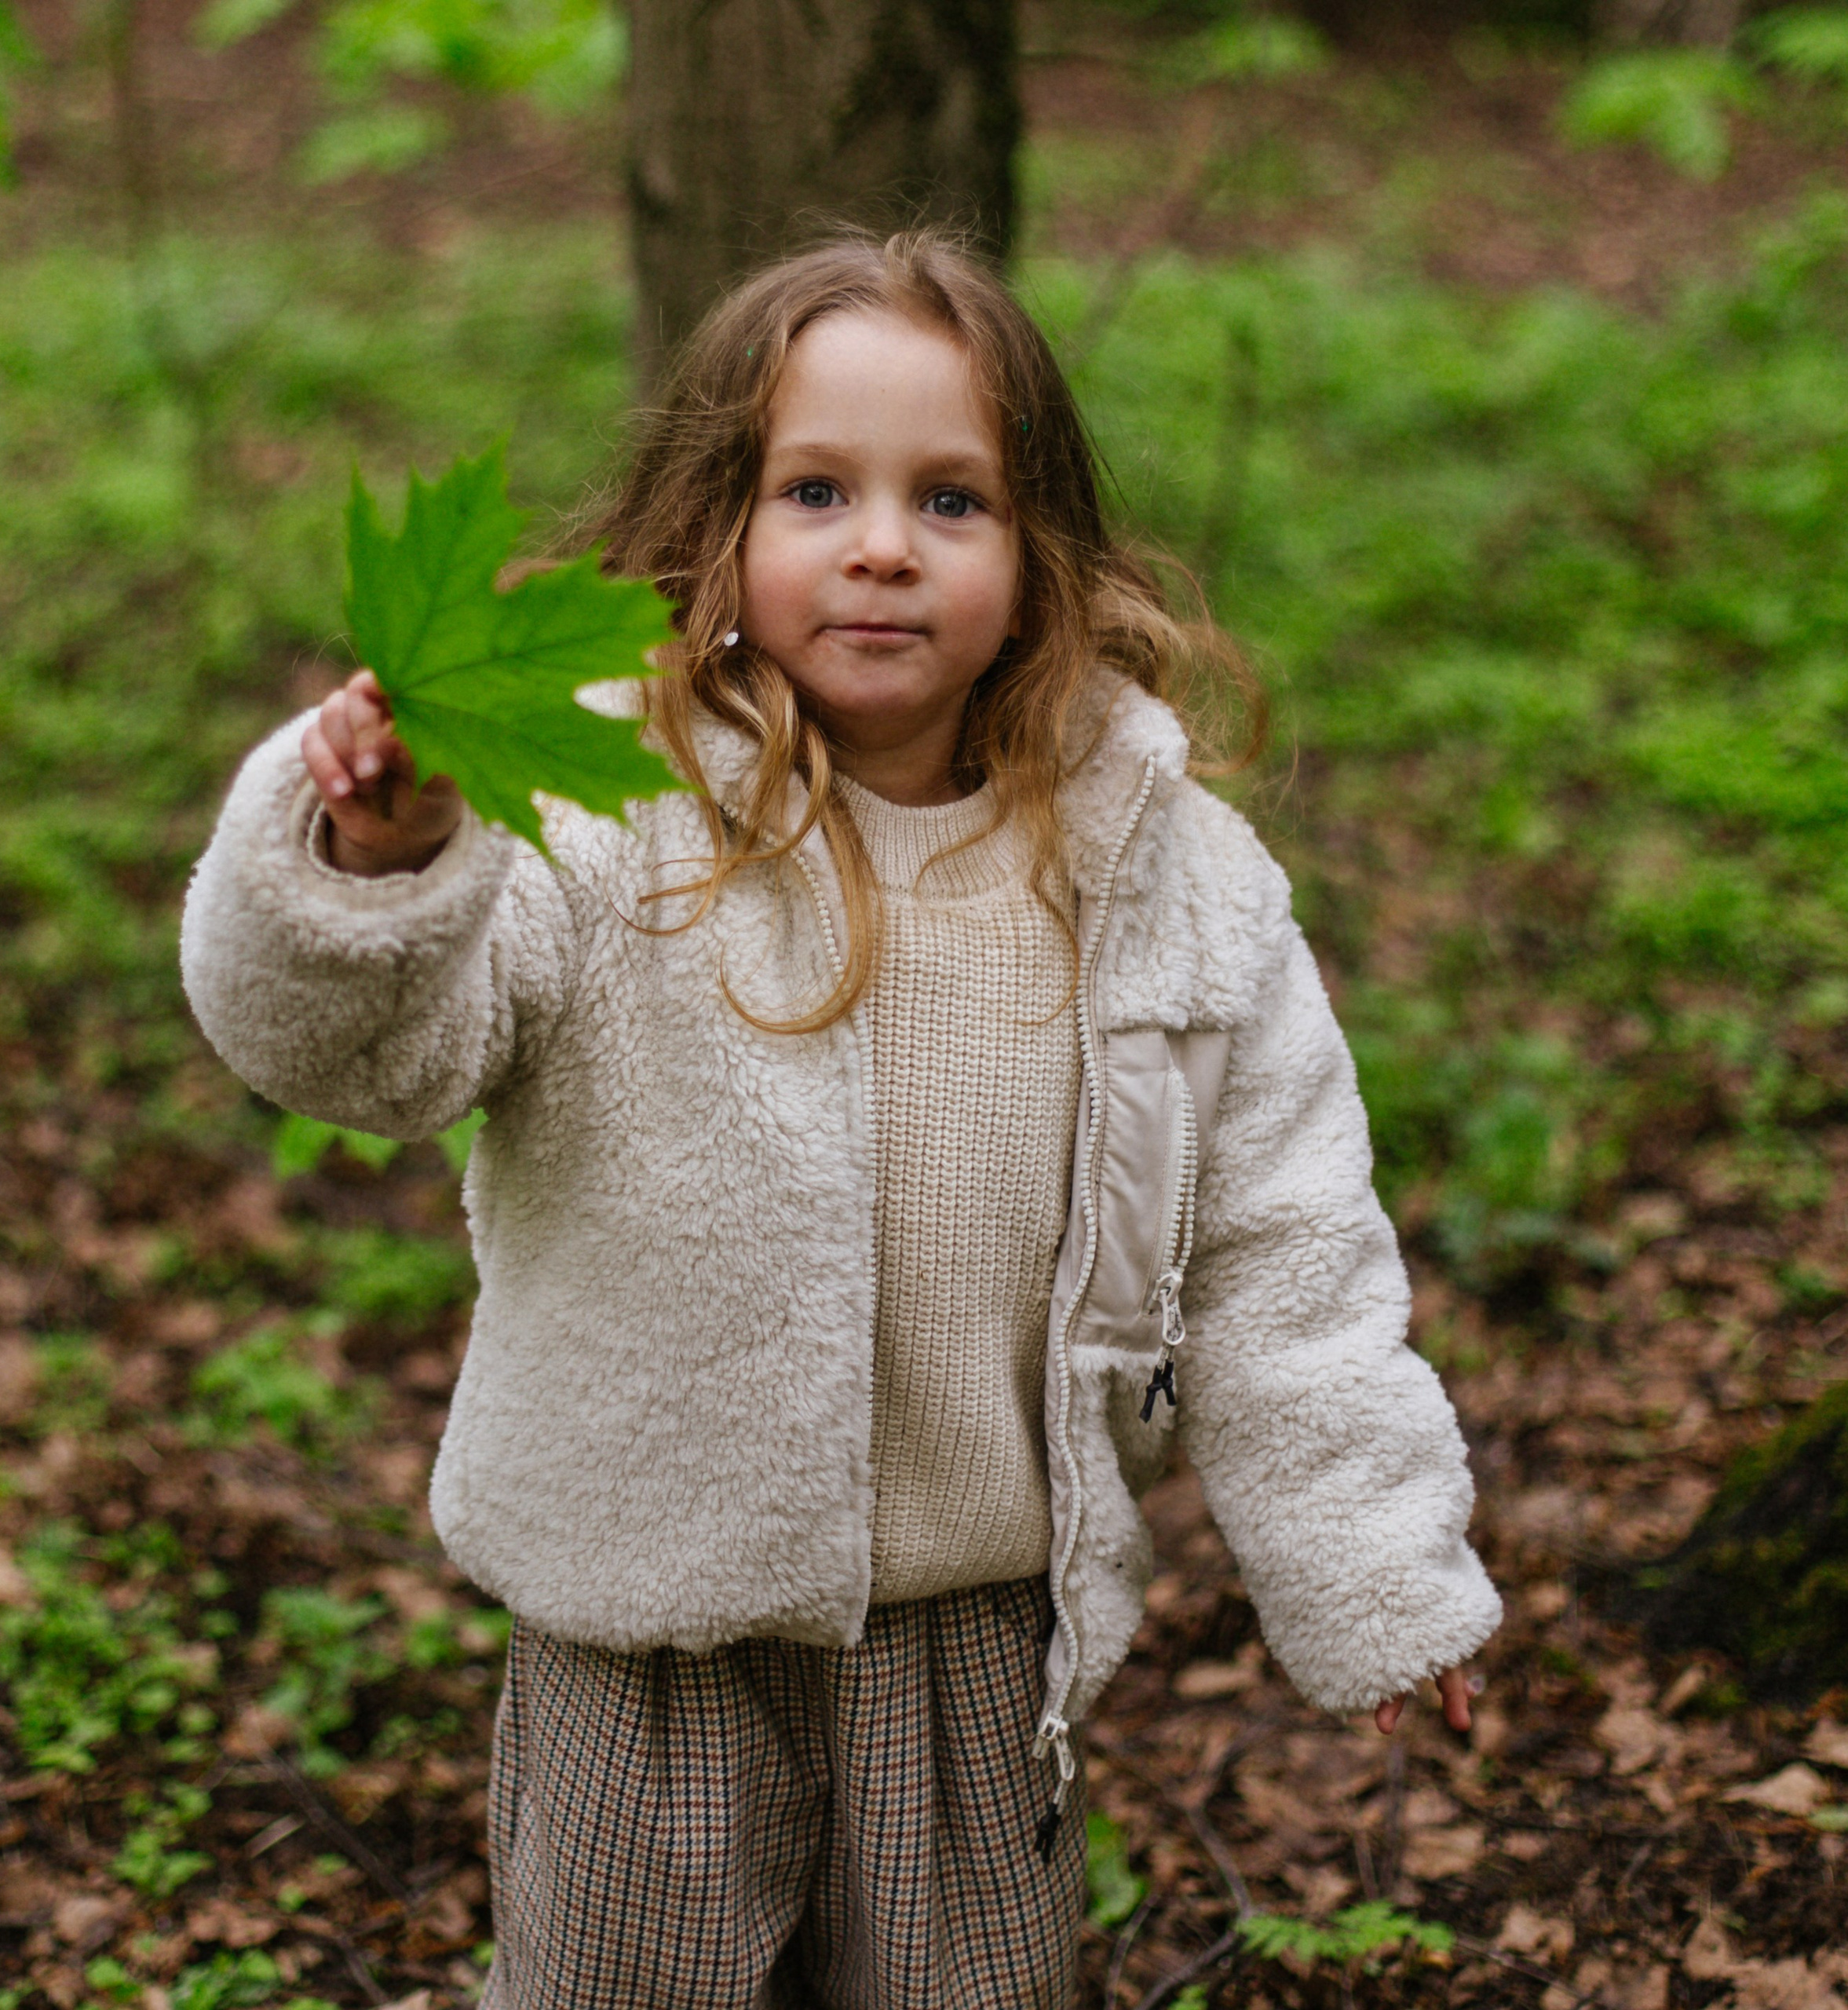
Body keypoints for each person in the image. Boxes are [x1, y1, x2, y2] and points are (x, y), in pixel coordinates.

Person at [181, 230, 1501, 2010]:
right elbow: (364, 1057)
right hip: (641, 1620)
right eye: (817, 488)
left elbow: (1284, 1247)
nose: (881, 543)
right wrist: (384, 852)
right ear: (718, 527)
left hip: (974, 1626)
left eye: (949, 498)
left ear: (1038, 557)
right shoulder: (601, 806)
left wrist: (1379, 1571)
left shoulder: (1160, 877)